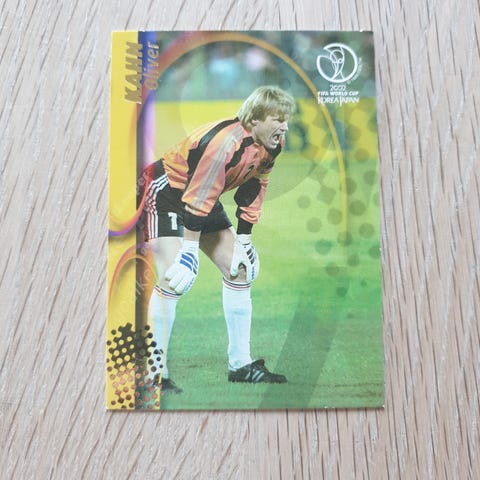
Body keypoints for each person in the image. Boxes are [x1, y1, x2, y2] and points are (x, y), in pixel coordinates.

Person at [138, 86, 296, 393]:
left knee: (240, 270)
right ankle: (153, 375)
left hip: (201, 195)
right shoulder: (224, 144)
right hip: (165, 191)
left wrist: (244, 240)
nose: (285, 126)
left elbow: (254, 188)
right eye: (278, 119)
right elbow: (198, 199)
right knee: (174, 277)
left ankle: (240, 366)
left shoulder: (273, 143)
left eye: (286, 119)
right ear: (255, 119)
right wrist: (188, 251)